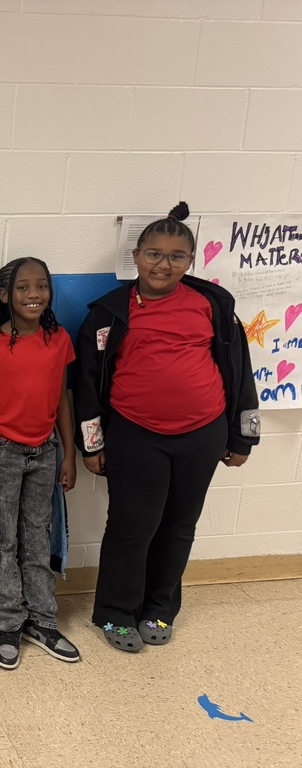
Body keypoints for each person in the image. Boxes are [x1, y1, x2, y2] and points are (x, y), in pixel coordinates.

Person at [74, 202, 260, 652]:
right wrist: (91, 446)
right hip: (136, 435)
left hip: (203, 433)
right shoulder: (108, 313)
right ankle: (117, 613)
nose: (164, 264)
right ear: (135, 257)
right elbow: (86, 384)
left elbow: (239, 370)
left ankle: (159, 608)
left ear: (190, 262)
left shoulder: (212, 306)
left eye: (177, 256)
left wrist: (242, 436)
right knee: (131, 526)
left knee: (179, 525)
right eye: (154, 253)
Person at [0, 257, 80, 670]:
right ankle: (8, 623)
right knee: (2, 543)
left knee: (37, 537)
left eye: (42, 286)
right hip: (1, 453)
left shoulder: (60, 340)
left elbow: (63, 400)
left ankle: (43, 621)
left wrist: (68, 452)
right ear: (4, 295)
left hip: (45, 452)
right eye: (23, 288)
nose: (34, 295)